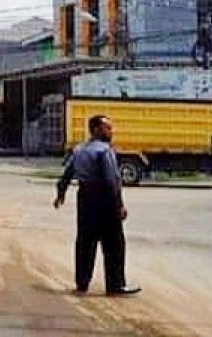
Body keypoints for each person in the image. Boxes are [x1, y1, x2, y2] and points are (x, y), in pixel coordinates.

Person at [54, 114, 140, 296]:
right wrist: (119, 205)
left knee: (85, 242)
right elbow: (111, 181)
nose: (111, 131)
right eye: (107, 128)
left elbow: (67, 174)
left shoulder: (79, 150)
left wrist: (61, 194)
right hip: (104, 199)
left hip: (85, 198)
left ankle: (82, 283)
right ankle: (115, 284)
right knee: (114, 244)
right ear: (96, 130)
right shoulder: (104, 151)